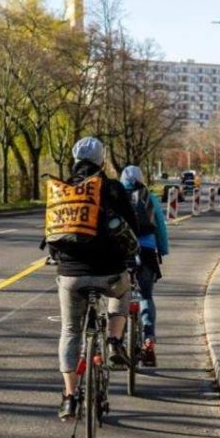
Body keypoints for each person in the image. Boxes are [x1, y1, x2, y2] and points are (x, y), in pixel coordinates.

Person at [51, 137, 154, 421]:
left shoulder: (63, 188)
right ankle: (112, 340)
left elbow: (52, 233)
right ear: (101, 160)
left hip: (71, 274)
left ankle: (70, 397)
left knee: (70, 331)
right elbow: (132, 229)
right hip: (110, 271)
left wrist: (58, 257)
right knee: (122, 294)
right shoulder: (113, 188)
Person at [120, 165, 169, 367]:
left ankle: (118, 341)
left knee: (118, 297)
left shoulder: (115, 196)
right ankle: (149, 339)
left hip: (121, 252)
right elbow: (160, 227)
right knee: (146, 296)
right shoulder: (150, 197)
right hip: (146, 253)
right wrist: (163, 249)